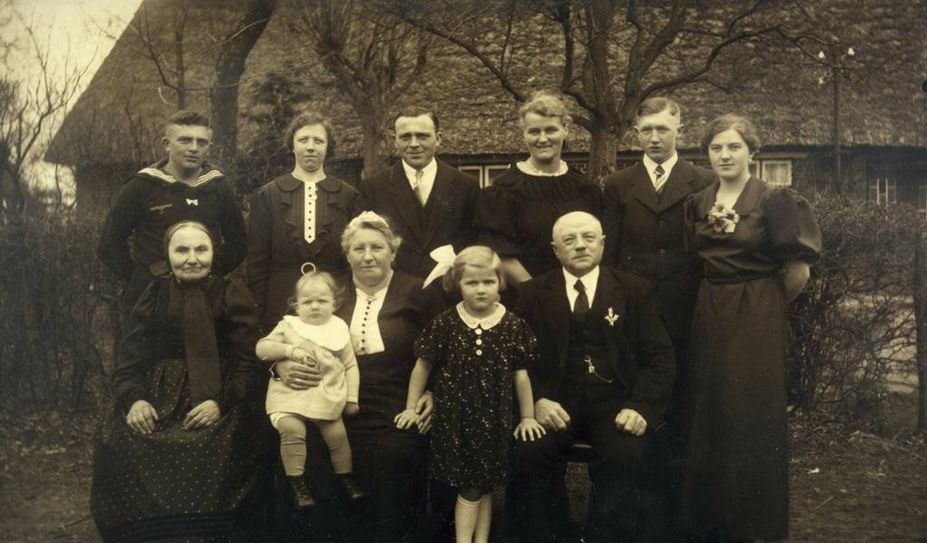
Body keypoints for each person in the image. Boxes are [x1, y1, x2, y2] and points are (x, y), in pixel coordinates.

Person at [684, 115, 821, 542]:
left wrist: (763, 306)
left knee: (752, 414)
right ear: (707, 154)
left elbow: (797, 272)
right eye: (716, 148)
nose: (724, 155)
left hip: (757, 311)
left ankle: (755, 525)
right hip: (710, 310)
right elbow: (695, 260)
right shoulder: (698, 201)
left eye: (734, 147)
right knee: (710, 412)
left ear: (751, 151)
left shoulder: (775, 199)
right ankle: (714, 523)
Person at [507, 211, 675, 543]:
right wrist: (536, 400)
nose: (580, 246)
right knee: (530, 450)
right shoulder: (531, 293)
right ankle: (550, 535)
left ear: (602, 244)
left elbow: (661, 356)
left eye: (587, 238)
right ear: (555, 250)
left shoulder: (634, 290)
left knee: (628, 453)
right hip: (554, 403)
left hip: (616, 403)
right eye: (569, 240)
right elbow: (514, 359)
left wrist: (641, 407)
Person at [91, 221, 262, 542]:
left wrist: (222, 402)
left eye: (201, 249)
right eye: (181, 250)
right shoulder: (154, 293)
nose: (192, 258)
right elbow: (129, 358)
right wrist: (135, 399)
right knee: (121, 440)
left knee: (222, 446)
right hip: (160, 396)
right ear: (167, 254)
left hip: (220, 396)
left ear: (214, 253)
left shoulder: (230, 291)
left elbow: (247, 361)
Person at [276, 211, 441, 542]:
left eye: (377, 247)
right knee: (310, 452)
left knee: (393, 454)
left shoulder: (417, 290)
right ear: (347, 253)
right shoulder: (328, 292)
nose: (368, 257)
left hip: (397, 400)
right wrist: (279, 366)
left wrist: (434, 393)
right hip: (331, 398)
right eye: (358, 248)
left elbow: (446, 350)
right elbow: (286, 335)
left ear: (393, 251)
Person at [601, 96, 714, 538]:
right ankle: (638, 510)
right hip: (636, 310)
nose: (653, 138)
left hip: (687, 308)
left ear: (679, 130)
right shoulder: (618, 184)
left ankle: (678, 511)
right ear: (637, 133)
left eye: (662, 130)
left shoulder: (702, 182)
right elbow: (609, 256)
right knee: (639, 400)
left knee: (682, 402)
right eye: (646, 130)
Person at [395, 246, 545, 543]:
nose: (480, 290)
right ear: (456, 284)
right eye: (471, 283)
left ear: (500, 283)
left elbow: (521, 375)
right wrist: (411, 407)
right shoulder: (447, 322)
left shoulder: (512, 325)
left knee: (482, 485)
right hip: (456, 420)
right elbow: (422, 366)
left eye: (488, 282)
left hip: (493, 420)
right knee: (470, 485)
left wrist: (527, 416)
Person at [98, 110, 246, 307]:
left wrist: (211, 273)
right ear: (166, 144)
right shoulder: (142, 186)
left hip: (206, 296)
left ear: (209, 147)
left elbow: (238, 244)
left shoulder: (219, 187)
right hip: (153, 300)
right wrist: (142, 280)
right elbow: (109, 244)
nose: (194, 148)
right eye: (184, 141)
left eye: (201, 142)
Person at [256, 265, 364, 510]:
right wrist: (288, 351)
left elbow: (350, 366)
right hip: (289, 396)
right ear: (296, 305)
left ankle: (346, 477)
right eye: (307, 302)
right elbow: (262, 348)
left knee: (337, 435)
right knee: (292, 430)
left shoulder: (338, 330)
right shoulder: (289, 327)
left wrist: (351, 398)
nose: (315, 306)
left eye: (322, 301)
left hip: (324, 395)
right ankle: (298, 484)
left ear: (334, 304)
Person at [247, 109, 359, 332]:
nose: (310, 147)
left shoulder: (348, 196)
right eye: (303, 140)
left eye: (318, 140)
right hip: (281, 299)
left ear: (328, 147)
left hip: (333, 301)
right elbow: (257, 262)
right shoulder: (268, 195)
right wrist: (260, 311)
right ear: (292, 145)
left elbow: (351, 261)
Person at [475, 91, 601, 285]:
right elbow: (502, 255)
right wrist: (539, 296)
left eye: (550, 130)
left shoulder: (585, 188)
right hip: (528, 297)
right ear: (524, 134)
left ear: (565, 130)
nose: (542, 139)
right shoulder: (504, 190)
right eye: (534, 131)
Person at [357, 106, 479, 279]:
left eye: (422, 136)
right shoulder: (373, 188)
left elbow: (474, 245)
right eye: (405, 137)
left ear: (438, 139)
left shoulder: (467, 186)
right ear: (394, 141)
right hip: (397, 294)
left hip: (451, 290)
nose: (414, 144)